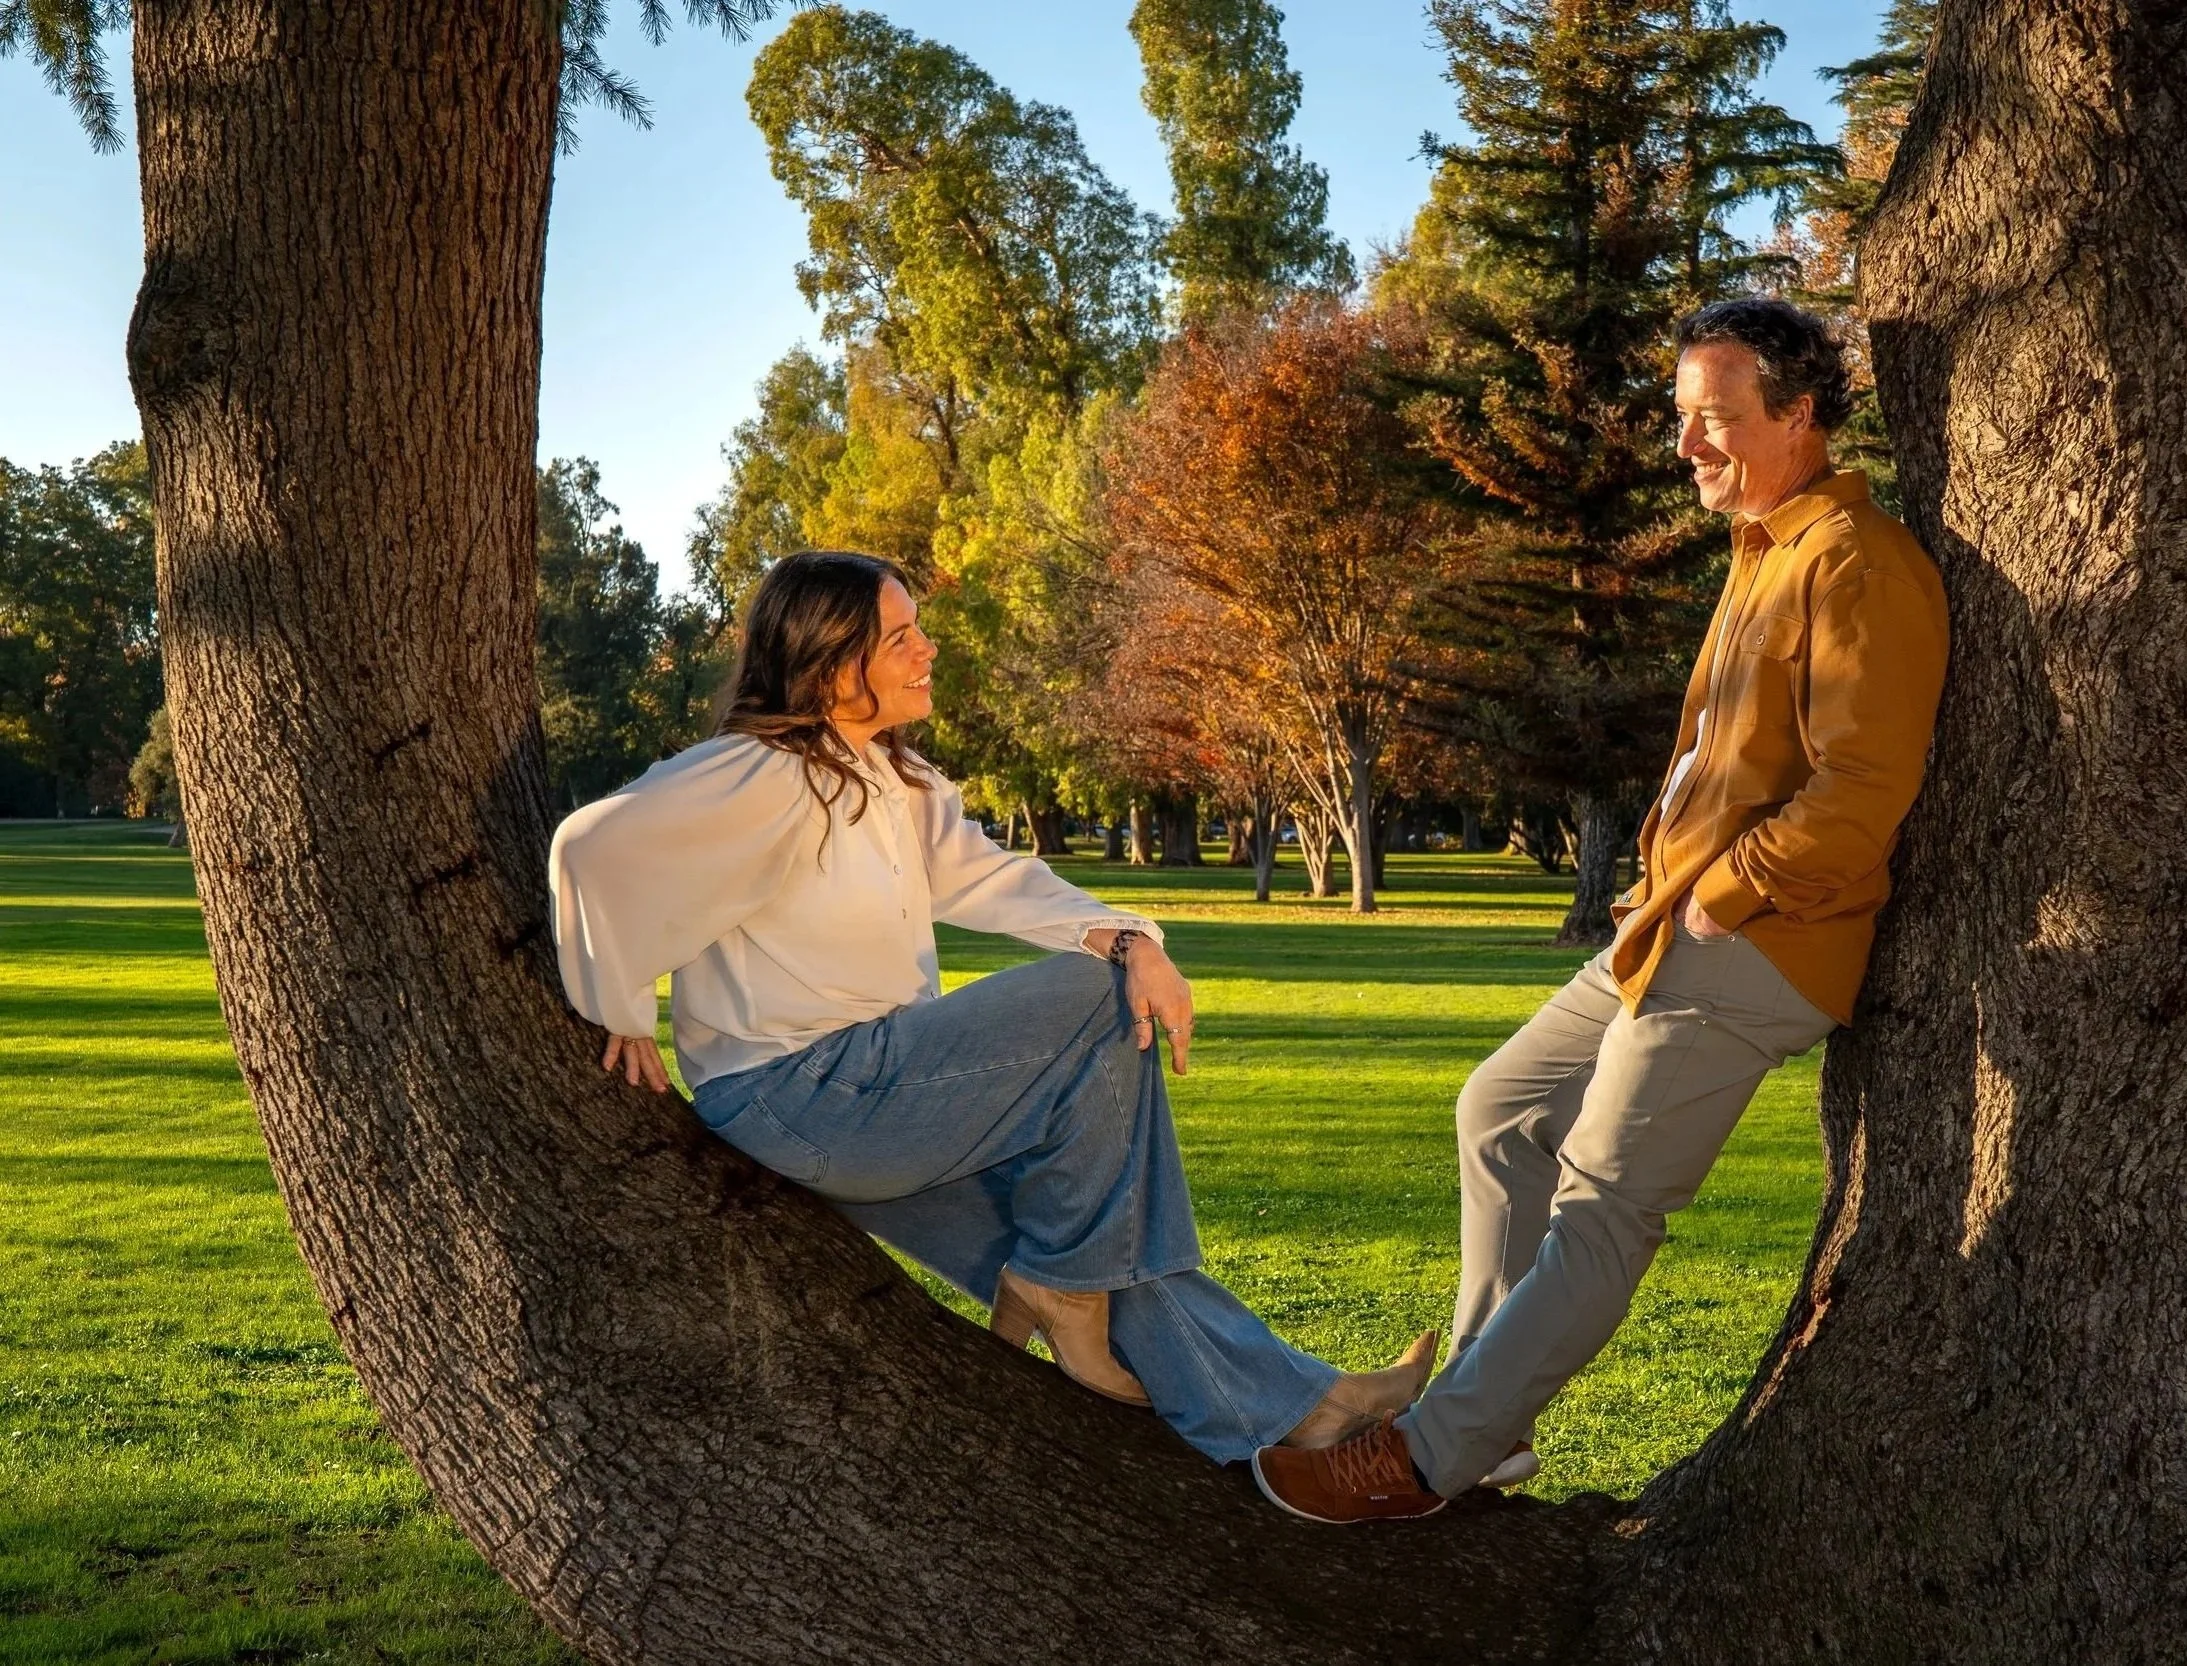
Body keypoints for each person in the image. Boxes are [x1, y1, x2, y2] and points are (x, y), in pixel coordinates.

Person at [1252, 298, 1951, 1521]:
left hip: (1756, 940)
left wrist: (1727, 895)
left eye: (1717, 420)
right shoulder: (1762, 552)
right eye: (1682, 421)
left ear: (1800, 415)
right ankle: (1490, 1419)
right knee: (1500, 1112)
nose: (1688, 447)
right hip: (1667, 920)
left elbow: (1863, 794)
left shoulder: (1858, 562)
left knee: (1601, 1207)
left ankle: (1428, 1458)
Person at [548, 550, 1431, 1466]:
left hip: (884, 1102)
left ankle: (1295, 1413)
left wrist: (1128, 935)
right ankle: (1066, 1290)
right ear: (829, 663)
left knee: (1097, 1241)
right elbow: (591, 845)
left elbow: (995, 880)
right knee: (1098, 1014)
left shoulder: (897, 780)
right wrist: (616, 1005)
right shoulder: (763, 772)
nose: (926, 649)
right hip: (801, 1095)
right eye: (899, 638)